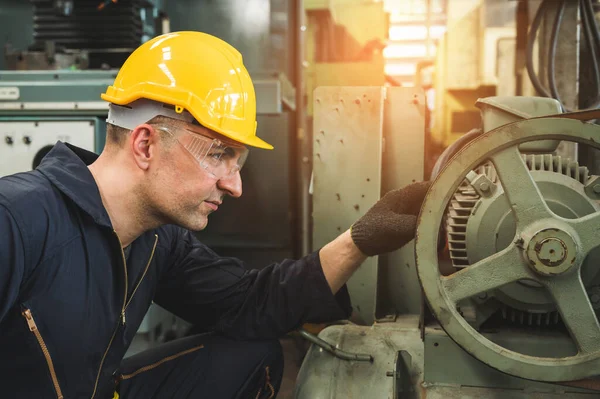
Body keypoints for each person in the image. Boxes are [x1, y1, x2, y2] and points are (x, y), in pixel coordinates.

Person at [0, 31, 430, 399]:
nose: (235, 185)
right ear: (146, 144)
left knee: (251, 356)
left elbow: (248, 303)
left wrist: (360, 239)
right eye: (219, 154)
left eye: (237, 162)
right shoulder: (16, 222)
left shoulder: (155, 240)